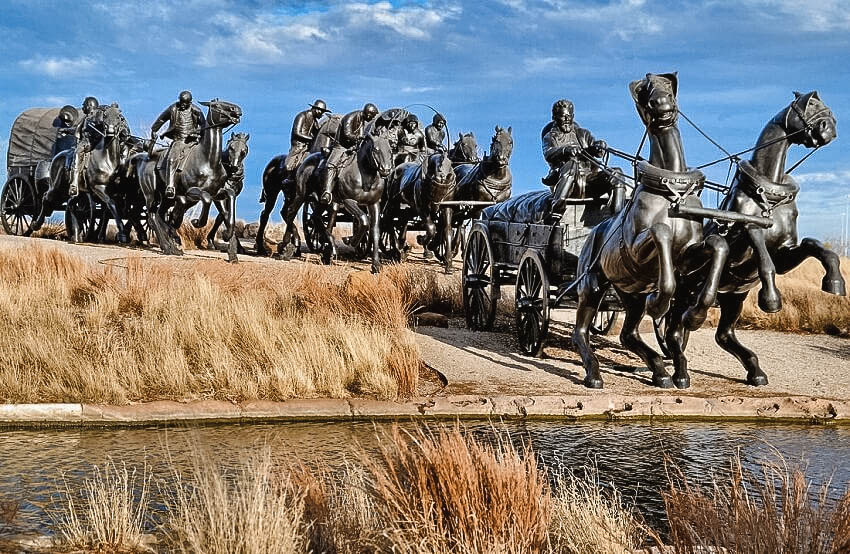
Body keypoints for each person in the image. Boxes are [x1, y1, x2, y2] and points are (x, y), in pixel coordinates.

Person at [542, 99, 625, 215]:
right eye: (563, 116)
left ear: (573, 116)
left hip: (589, 182)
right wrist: (566, 150)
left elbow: (598, 152)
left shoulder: (583, 134)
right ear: (554, 117)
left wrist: (599, 146)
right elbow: (549, 153)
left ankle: (618, 217)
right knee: (571, 165)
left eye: (569, 116)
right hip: (567, 186)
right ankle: (557, 209)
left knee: (616, 173)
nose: (567, 119)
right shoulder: (550, 137)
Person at [319, 102, 379, 203]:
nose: (371, 119)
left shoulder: (362, 119)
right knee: (331, 165)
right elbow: (347, 134)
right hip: (341, 147)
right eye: (372, 117)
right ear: (368, 114)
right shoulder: (350, 117)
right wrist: (359, 138)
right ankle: (327, 192)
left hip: (354, 147)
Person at [150, 90, 206, 198]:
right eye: (181, 102)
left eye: (185, 103)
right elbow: (162, 119)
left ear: (190, 102)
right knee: (171, 159)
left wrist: (196, 133)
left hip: (192, 141)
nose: (182, 105)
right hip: (179, 140)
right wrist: (154, 130)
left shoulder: (196, 110)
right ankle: (170, 186)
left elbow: (204, 126)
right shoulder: (173, 108)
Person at [67, 96, 105, 197]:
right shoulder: (86, 117)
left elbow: (100, 129)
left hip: (88, 142)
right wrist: (67, 131)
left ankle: (74, 183)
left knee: (77, 153)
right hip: (88, 141)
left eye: (84, 105)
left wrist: (92, 142)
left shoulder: (97, 115)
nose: (82, 107)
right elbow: (78, 130)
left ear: (89, 106)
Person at [284, 99, 331, 181]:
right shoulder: (302, 116)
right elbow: (296, 133)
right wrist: (312, 139)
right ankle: (289, 178)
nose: (322, 114)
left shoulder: (315, 122)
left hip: (309, 146)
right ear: (316, 109)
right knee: (290, 165)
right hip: (299, 145)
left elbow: (317, 133)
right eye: (321, 111)